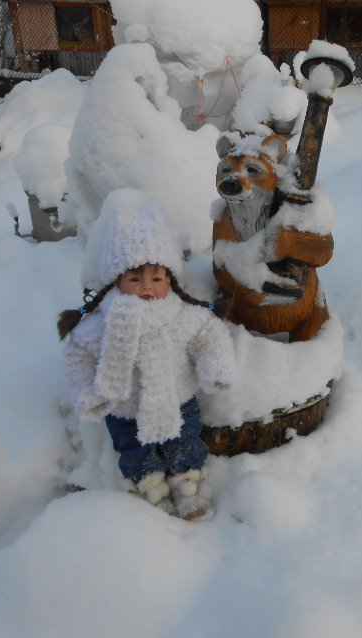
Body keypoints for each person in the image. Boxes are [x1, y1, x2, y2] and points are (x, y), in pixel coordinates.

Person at [58, 204, 236, 520]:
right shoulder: (101, 325)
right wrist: (88, 390)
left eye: (157, 277)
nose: (147, 287)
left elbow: (209, 334)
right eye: (135, 278)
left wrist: (215, 366)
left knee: (186, 445)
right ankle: (150, 489)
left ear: (170, 279)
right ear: (116, 281)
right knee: (136, 454)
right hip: (125, 410)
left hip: (178, 402)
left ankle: (189, 488)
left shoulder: (182, 315)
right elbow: (78, 354)